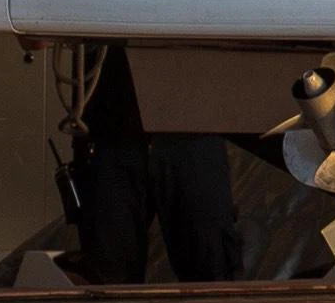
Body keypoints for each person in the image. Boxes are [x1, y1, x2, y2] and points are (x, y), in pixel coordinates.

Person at [65, 47, 241, 283]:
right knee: (108, 275)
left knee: (212, 269)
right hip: (112, 131)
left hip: (193, 126)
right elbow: (34, 39)